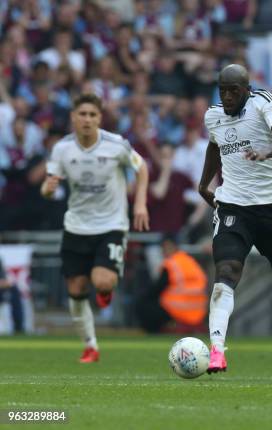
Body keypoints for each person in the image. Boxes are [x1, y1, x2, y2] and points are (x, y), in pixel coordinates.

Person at [198, 64, 272, 373]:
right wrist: (204, 184)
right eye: (223, 90)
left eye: (234, 91)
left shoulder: (263, 102)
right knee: (226, 273)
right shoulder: (212, 116)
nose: (228, 96)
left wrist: (267, 150)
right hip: (233, 207)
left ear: (246, 89)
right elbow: (214, 147)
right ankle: (217, 350)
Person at [40, 93, 149, 363]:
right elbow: (48, 187)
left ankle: (105, 289)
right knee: (75, 290)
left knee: (102, 280)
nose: (87, 119)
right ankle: (90, 345)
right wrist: (47, 188)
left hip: (111, 224)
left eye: (93, 115)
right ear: (73, 118)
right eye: (83, 114)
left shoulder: (116, 145)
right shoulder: (62, 149)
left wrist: (140, 205)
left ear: (100, 118)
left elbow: (142, 167)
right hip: (76, 226)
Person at [135, 235, 208, 333]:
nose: (164, 251)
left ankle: (156, 332)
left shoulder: (171, 264)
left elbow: (156, 289)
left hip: (177, 311)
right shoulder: (190, 261)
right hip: (199, 312)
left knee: (142, 304)